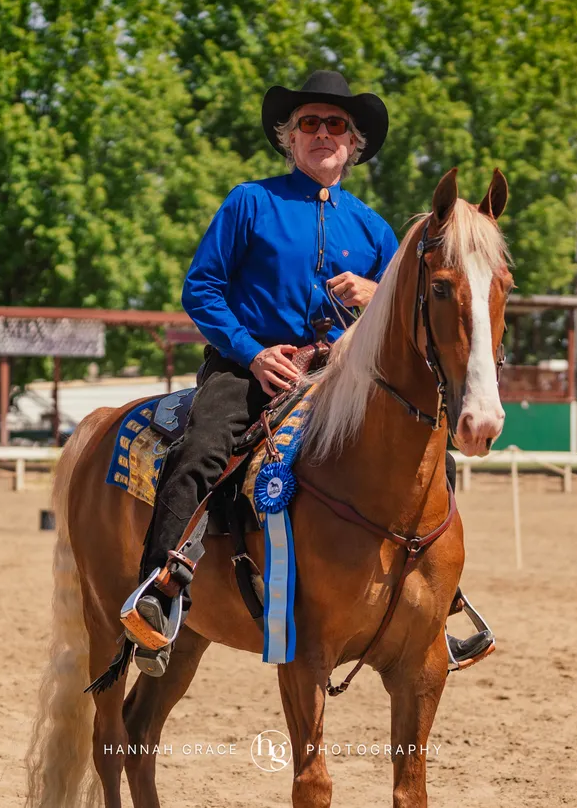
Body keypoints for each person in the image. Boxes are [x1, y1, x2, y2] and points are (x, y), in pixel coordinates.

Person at [124, 70, 492, 676]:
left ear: (354, 145)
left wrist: (376, 290)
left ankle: (438, 606)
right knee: (202, 449)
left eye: (336, 125)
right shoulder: (250, 202)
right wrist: (251, 351)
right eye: (309, 124)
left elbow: (409, 307)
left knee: (429, 458)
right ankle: (159, 593)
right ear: (289, 139)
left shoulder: (374, 229)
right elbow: (202, 288)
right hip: (249, 370)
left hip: (341, 377)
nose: (323, 133)